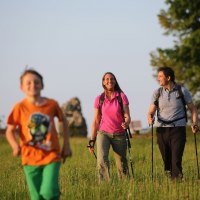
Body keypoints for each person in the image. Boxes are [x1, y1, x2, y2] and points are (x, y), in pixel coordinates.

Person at [6, 69, 72, 200]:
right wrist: (14, 146)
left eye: (36, 82)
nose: (33, 85)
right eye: (28, 83)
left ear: (42, 85)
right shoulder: (19, 107)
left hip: (51, 155)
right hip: (29, 158)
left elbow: (63, 120)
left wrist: (67, 145)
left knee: (48, 192)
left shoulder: (51, 104)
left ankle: (53, 194)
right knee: (36, 197)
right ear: (22, 87)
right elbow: (10, 130)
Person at [148, 66, 198, 180]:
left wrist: (195, 123)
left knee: (176, 158)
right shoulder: (157, 92)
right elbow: (151, 111)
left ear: (168, 77)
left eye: (161, 76)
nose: (158, 79)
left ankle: (177, 181)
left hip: (178, 129)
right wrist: (150, 117)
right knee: (167, 159)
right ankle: (170, 177)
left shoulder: (182, 91)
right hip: (161, 130)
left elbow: (193, 109)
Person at [88, 72, 131, 181]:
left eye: (112, 79)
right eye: (107, 79)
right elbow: (96, 120)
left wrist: (126, 122)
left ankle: (125, 184)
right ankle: (104, 186)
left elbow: (127, 116)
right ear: (103, 82)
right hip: (103, 133)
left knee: (122, 162)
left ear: (115, 81)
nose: (109, 81)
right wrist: (92, 140)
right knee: (102, 160)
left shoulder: (121, 96)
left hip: (119, 133)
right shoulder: (99, 98)